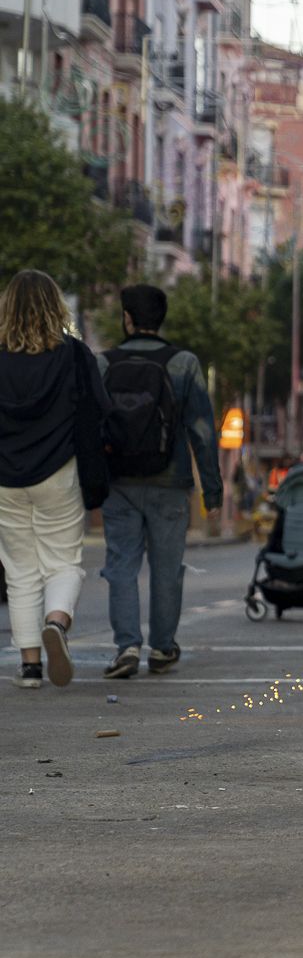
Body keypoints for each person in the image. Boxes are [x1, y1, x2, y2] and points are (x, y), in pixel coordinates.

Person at [98, 283, 223, 680]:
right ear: (161, 318)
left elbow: (90, 426)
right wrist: (212, 486)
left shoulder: (104, 363)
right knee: (167, 569)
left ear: (127, 318)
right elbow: (202, 428)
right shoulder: (183, 363)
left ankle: (127, 645)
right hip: (171, 483)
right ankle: (163, 648)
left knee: (121, 564)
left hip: (119, 482)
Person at [0, 270, 108, 688]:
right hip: (58, 471)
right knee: (62, 560)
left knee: (19, 568)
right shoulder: (74, 355)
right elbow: (100, 409)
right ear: (54, 307)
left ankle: (29, 667)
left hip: (6, 476)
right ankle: (57, 622)